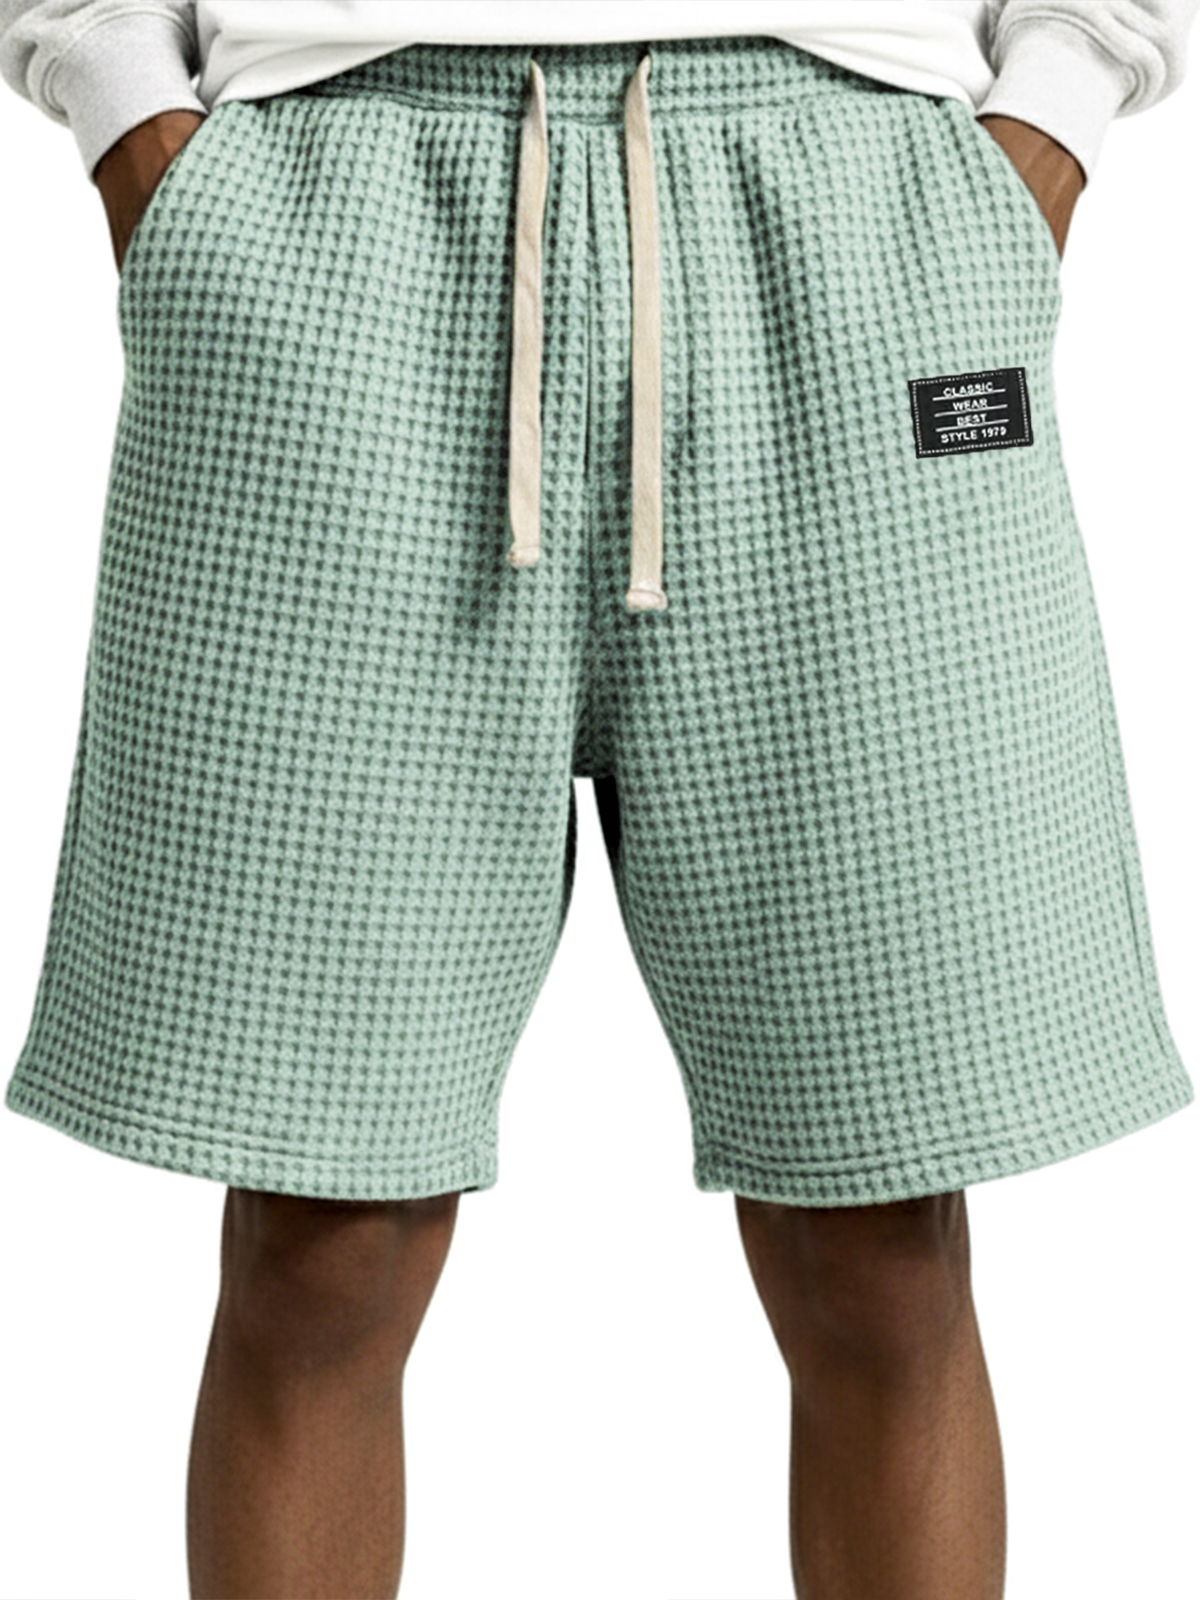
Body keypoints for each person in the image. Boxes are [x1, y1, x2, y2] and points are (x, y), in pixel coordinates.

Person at [1, 3, 1196, 1597]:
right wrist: (128, 111)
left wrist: (1053, 108)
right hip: (331, 227)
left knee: (882, 1238)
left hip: (850, 215)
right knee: (320, 1241)